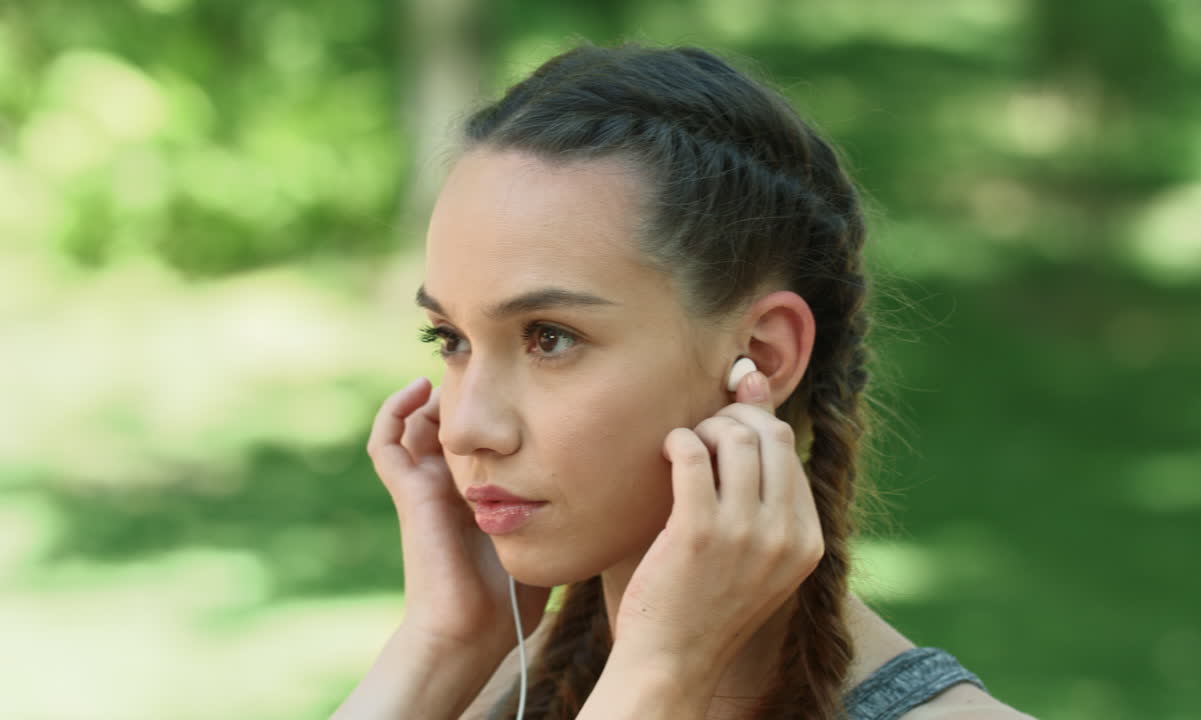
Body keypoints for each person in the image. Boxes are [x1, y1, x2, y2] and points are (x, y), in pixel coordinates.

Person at [333, 43, 1036, 720]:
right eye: (449, 339)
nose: (462, 426)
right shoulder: (490, 688)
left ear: (760, 357)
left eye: (550, 338)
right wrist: (439, 649)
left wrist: (662, 674)